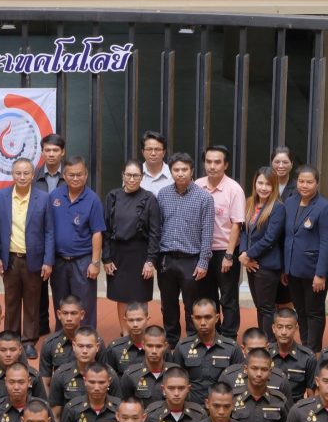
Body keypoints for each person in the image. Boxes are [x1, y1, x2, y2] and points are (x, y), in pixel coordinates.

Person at [0, 158, 53, 358]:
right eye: (18, 173)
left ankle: (29, 341)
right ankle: (11, 339)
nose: (22, 177)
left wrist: (48, 261)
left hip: (33, 259)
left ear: (32, 175)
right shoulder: (1, 196)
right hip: (9, 258)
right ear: (12, 174)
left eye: (26, 173)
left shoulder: (43, 198)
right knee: (11, 301)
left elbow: (49, 231)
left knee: (32, 302)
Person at [156, 152, 214, 347]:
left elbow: (207, 232)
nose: (180, 173)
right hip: (166, 258)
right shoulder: (163, 194)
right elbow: (158, 226)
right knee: (168, 303)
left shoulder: (204, 197)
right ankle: (171, 341)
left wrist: (203, 261)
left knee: (191, 304)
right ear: (171, 171)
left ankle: (191, 342)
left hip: (191, 259)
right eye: (176, 170)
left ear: (192, 171)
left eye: (184, 169)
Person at [282, 164, 328, 353]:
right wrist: (285, 268)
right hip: (293, 269)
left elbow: (327, 243)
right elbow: (287, 236)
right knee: (300, 310)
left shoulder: (325, 207)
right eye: (301, 181)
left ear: (317, 183)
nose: (304, 185)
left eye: (309, 182)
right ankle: (305, 347)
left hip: (314, 271)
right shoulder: (290, 202)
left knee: (314, 311)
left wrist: (320, 274)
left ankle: (313, 351)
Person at [102, 161, 161, 334]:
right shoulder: (113, 196)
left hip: (141, 254)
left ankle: (140, 334)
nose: (132, 179)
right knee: (121, 297)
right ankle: (125, 335)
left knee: (140, 296)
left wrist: (151, 261)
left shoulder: (149, 198)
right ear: (123, 175)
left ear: (142, 177)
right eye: (128, 175)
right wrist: (106, 258)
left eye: (136, 175)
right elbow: (105, 229)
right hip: (118, 255)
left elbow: (155, 232)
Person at [193, 145, 246, 339]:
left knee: (228, 297)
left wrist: (229, 255)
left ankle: (229, 337)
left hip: (225, 250)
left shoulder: (234, 189)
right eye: (208, 161)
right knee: (207, 296)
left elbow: (237, 224)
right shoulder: (197, 185)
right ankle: (212, 334)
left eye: (217, 162)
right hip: (203, 251)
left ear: (226, 165)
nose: (212, 166)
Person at [49, 156, 105, 331]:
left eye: (79, 174)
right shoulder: (54, 196)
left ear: (86, 175)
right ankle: (61, 339)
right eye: (71, 175)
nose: (75, 178)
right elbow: (48, 229)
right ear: (64, 176)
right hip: (58, 261)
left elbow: (97, 232)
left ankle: (86, 338)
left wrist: (95, 263)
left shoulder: (93, 199)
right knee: (61, 303)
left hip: (83, 261)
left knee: (84, 305)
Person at [239, 166, 287, 337]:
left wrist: (247, 255)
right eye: (260, 183)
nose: (263, 188)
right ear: (255, 183)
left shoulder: (278, 207)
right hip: (251, 264)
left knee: (266, 308)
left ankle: (269, 343)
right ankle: (262, 340)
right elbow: (244, 231)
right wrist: (243, 252)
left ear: (274, 186)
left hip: (267, 265)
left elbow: (270, 238)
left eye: (268, 184)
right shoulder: (250, 202)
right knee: (260, 306)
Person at [170, 299, 243, 404]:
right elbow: (175, 380)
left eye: (208, 317)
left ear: (217, 318)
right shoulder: (182, 347)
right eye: (198, 318)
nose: (203, 323)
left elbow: (239, 382)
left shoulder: (232, 348)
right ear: (192, 319)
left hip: (221, 408)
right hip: (192, 408)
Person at [35, 132, 67, 337]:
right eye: (47, 150)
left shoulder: (71, 175)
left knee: (61, 289)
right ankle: (40, 327)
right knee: (38, 289)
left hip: (63, 241)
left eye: (56, 150)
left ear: (62, 152)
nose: (51, 154)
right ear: (42, 152)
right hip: (39, 241)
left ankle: (62, 330)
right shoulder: (33, 176)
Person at [48, 329, 117, 421]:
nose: (84, 351)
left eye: (89, 346)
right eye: (80, 346)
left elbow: (117, 408)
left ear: (97, 347)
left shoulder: (110, 374)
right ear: (74, 346)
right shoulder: (61, 374)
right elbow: (55, 414)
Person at [120, 325, 178, 407]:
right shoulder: (131, 375)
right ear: (143, 345)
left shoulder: (176, 373)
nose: (154, 351)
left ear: (165, 346)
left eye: (158, 346)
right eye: (150, 346)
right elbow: (125, 405)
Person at [268, 308, 318, 403]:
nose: (284, 332)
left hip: (295, 407)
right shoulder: (265, 353)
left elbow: (311, 393)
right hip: (269, 407)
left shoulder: (307, 357)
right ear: (273, 328)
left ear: (296, 328)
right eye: (280, 327)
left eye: (289, 327)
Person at [38, 296, 87, 391]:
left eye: (73, 313)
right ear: (59, 314)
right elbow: (44, 381)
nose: (69, 318)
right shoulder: (49, 343)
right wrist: (50, 400)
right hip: (60, 395)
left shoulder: (95, 342)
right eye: (65, 313)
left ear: (82, 315)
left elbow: (104, 374)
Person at [105, 303, 149, 376]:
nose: (135, 324)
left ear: (147, 320)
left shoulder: (158, 346)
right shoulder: (114, 349)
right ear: (125, 321)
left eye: (139, 320)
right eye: (131, 320)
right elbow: (108, 377)